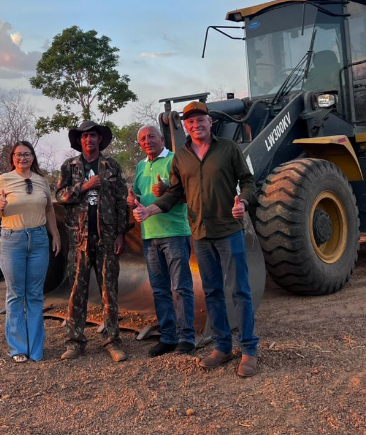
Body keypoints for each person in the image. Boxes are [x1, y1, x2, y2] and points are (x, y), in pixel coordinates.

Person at [133, 101, 260, 377]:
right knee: (213, 292)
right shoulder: (181, 157)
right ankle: (223, 347)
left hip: (229, 231)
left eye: (200, 120)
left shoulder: (228, 148)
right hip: (200, 235)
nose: (195, 124)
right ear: (185, 127)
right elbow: (174, 194)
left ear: (209, 122)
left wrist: (245, 203)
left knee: (239, 290)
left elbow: (249, 181)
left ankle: (249, 349)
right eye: (189, 122)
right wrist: (150, 209)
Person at [56, 120, 129, 362]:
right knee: (77, 291)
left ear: (100, 139)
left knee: (110, 291)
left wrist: (120, 233)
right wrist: (84, 186)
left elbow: (121, 200)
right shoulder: (70, 166)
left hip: (107, 238)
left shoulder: (111, 165)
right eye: (85, 137)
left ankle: (112, 340)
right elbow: (60, 195)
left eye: (93, 136)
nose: (89, 140)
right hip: (80, 239)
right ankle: (76, 341)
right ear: (80, 141)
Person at [0, 141, 61, 363]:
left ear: (33, 157)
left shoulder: (40, 181)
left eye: (27, 154)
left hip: (38, 239)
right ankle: (18, 347)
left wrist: (55, 234)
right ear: (12, 158)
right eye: (18, 155)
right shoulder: (4, 180)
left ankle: (36, 349)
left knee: (36, 294)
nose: (23, 158)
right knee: (16, 293)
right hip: (13, 239)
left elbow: (49, 208)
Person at [128, 125, 196, 358]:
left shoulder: (175, 160)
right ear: (139, 144)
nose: (148, 141)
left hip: (175, 233)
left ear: (162, 138)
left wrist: (167, 189)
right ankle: (168, 337)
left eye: (152, 137)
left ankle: (187, 337)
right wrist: (132, 199)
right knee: (159, 290)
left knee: (181, 287)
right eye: (143, 139)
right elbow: (138, 193)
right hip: (149, 235)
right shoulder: (140, 166)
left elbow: (188, 193)